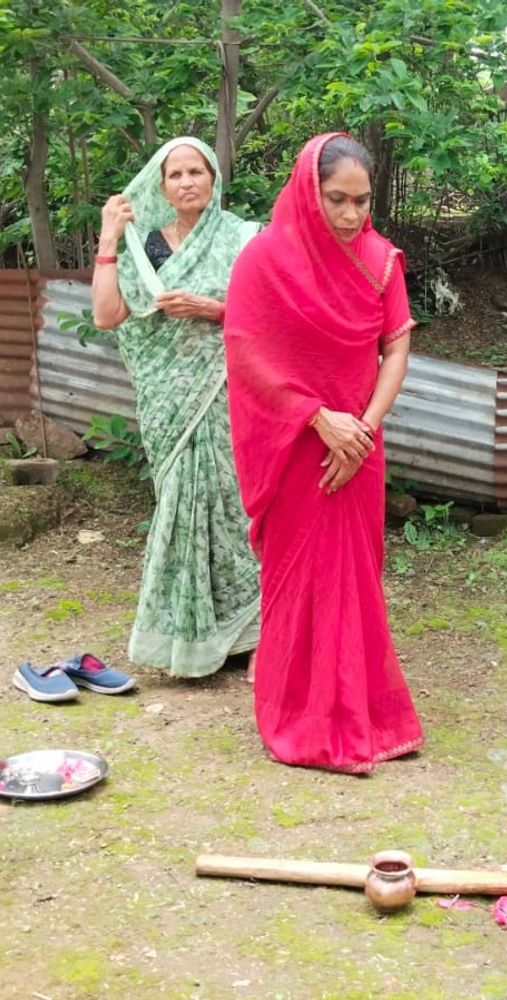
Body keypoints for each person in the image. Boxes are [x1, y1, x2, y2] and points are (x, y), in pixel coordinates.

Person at [223, 133, 423, 773]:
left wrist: (360, 429)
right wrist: (315, 418)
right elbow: (246, 352)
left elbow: (396, 349)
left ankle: (363, 713)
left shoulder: (381, 259)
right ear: (310, 190)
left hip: (358, 446)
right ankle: (296, 717)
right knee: (296, 580)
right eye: (337, 199)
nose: (350, 214)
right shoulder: (264, 260)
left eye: (362, 201)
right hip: (294, 448)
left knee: (355, 578)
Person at [91, 137, 260, 678]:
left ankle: (249, 633)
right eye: (175, 174)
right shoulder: (143, 246)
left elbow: (271, 315)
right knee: (180, 507)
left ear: (213, 178)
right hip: (168, 403)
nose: (186, 181)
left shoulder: (242, 239)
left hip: (227, 395)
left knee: (232, 510)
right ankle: (190, 639)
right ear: (161, 186)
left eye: (196, 171)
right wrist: (109, 237)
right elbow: (106, 315)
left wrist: (211, 309)